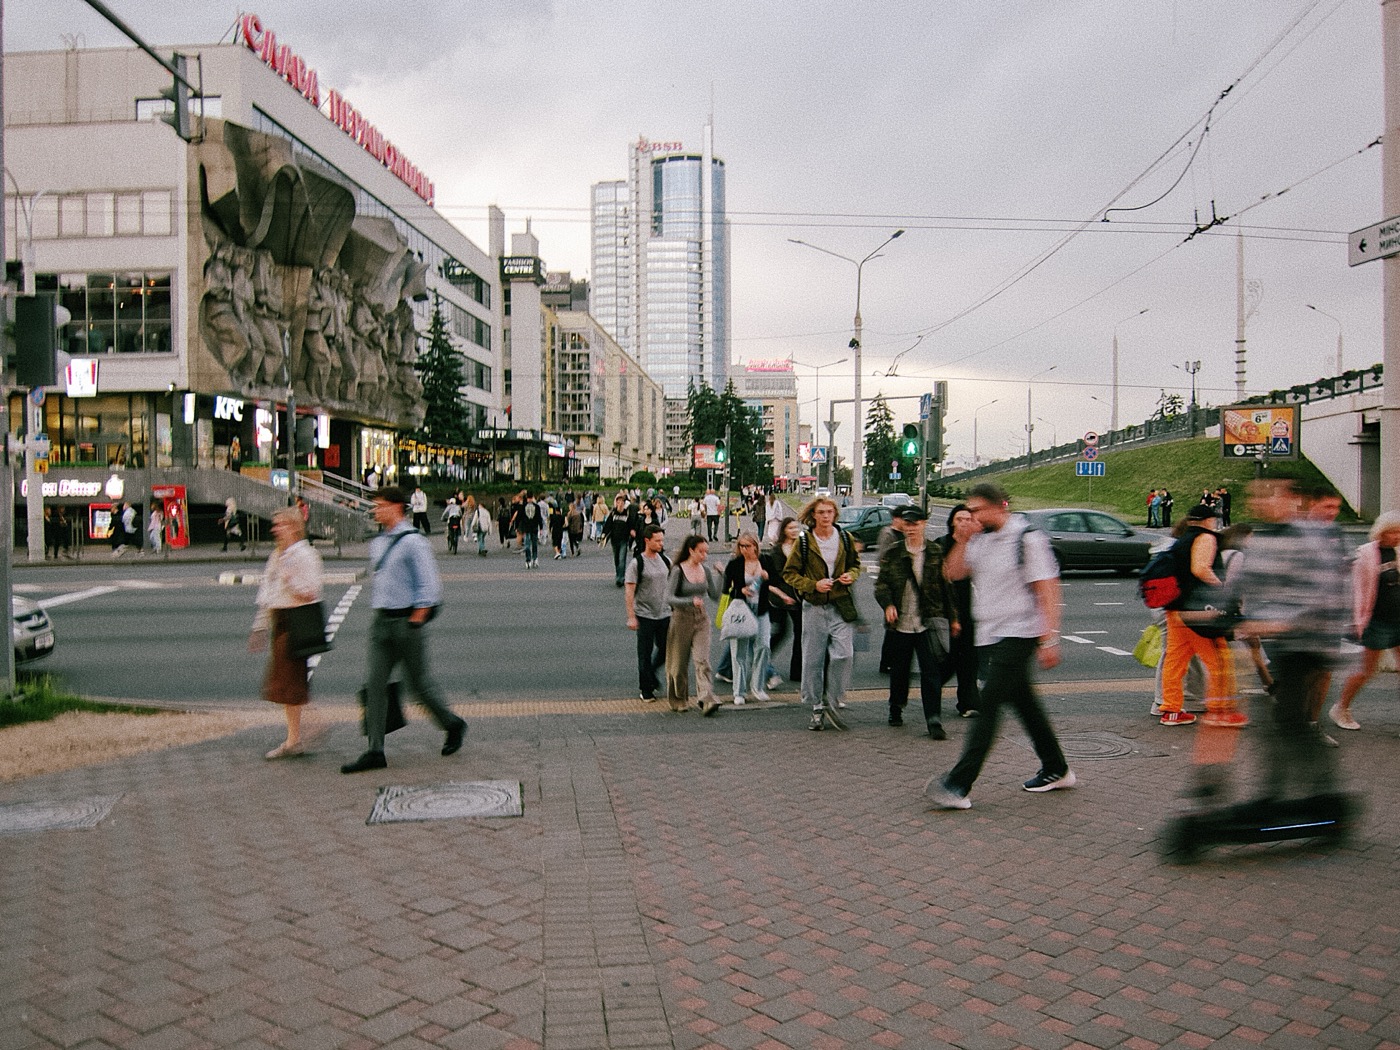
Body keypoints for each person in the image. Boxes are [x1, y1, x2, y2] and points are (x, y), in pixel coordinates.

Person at [926, 482, 1076, 809]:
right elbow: (953, 572)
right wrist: (962, 539)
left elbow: (1048, 589)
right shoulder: (980, 541)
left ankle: (958, 784)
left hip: (1020, 632)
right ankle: (1057, 767)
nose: (971, 516)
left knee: (988, 704)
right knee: (1025, 704)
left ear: (999, 507)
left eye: (977, 510)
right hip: (989, 634)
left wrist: (1050, 638)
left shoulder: (1027, 539)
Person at [1230, 476, 1347, 802]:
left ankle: (1320, 793)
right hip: (1281, 645)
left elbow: (1321, 592)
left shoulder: (1312, 538)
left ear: (1293, 499)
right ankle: (1281, 792)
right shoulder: (1266, 537)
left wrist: (1278, 622)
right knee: (1277, 720)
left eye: (1269, 494)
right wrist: (1216, 607)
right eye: (1256, 496)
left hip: (1308, 644)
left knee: (1290, 721)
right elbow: (1246, 579)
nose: (1260, 502)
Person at [342, 486, 467, 774]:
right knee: (375, 685)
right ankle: (375, 750)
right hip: (381, 623)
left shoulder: (413, 542)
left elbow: (429, 585)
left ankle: (453, 724)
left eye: (380, 505)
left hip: (407, 622)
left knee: (418, 686)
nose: (375, 510)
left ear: (396, 507)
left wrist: (417, 619)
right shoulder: (378, 542)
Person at [876, 504, 958, 739]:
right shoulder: (894, 552)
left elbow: (946, 587)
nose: (911, 528)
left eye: (915, 524)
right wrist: (888, 604)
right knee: (900, 670)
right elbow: (881, 584)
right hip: (900, 622)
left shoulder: (934, 552)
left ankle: (933, 718)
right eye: (907, 524)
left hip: (926, 621)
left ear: (924, 524)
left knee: (930, 672)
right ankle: (896, 707)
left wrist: (953, 618)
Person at [1158, 503, 1243, 727]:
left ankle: (1171, 710)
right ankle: (1219, 711)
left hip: (1176, 610)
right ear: (1208, 521)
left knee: (1175, 661)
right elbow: (1200, 569)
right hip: (1198, 613)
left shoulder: (1181, 541)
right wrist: (1221, 586)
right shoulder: (1206, 537)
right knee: (1219, 660)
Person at [783, 496, 862, 731]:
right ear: (813, 515)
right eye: (821, 512)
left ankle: (834, 697)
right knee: (813, 660)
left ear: (835, 515)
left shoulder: (845, 539)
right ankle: (817, 705)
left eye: (829, 512)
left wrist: (851, 575)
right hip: (814, 607)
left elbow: (855, 565)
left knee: (844, 654)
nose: (826, 516)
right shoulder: (805, 541)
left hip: (840, 604)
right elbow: (790, 573)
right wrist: (812, 585)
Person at [251, 508, 325, 759]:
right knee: (287, 682)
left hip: (296, 620)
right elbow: (267, 590)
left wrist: (290, 579)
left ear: (294, 527)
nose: (275, 528)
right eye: (274, 524)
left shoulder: (305, 555)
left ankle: (296, 737)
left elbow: (312, 590)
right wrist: (260, 625)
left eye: (280, 524)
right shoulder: (277, 554)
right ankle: (298, 734)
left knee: (289, 682)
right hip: (279, 619)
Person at [1331, 511, 1400, 731]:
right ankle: (1341, 707)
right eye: (1393, 532)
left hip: (1398, 619)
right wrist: (1358, 621)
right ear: (1382, 531)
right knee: (1366, 671)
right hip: (1377, 621)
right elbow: (1358, 591)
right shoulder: (1366, 554)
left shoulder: (1398, 552)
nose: (1397, 536)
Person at [665, 534, 722, 715]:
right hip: (681, 618)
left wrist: (722, 574)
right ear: (691, 551)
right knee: (679, 664)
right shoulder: (678, 571)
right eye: (700, 552)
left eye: (706, 552)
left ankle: (706, 699)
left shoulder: (705, 570)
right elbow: (669, 597)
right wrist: (690, 601)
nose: (704, 555)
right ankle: (679, 700)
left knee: (702, 659)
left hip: (701, 618)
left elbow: (714, 595)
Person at [937, 505, 982, 718]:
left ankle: (969, 702)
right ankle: (932, 689)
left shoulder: (977, 546)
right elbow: (942, 576)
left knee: (969, 658)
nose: (964, 523)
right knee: (949, 657)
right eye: (960, 519)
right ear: (952, 522)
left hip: (971, 609)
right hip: (948, 609)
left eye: (968, 519)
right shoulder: (943, 545)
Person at [722, 533, 773, 703]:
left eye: (747, 546)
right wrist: (740, 589)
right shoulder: (735, 564)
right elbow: (726, 587)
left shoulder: (765, 561)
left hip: (761, 608)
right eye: (741, 546)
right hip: (741, 609)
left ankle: (757, 687)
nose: (744, 549)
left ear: (755, 546)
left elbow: (777, 580)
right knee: (739, 651)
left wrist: (767, 577)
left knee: (764, 646)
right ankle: (739, 692)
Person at [625, 524, 672, 702]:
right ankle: (646, 689)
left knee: (666, 649)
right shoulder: (638, 563)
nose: (661, 544)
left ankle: (651, 672)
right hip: (644, 614)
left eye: (662, 540)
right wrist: (631, 616)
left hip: (664, 613)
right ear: (647, 541)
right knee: (644, 653)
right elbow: (629, 591)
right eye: (657, 540)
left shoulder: (666, 560)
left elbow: (673, 582)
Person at [605, 493, 638, 587]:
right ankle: (618, 573)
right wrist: (604, 535)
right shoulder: (613, 514)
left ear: (624, 503)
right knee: (616, 559)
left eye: (621, 502)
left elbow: (631, 524)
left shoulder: (627, 514)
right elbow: (608, 525)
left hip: (623, 539)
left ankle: (621, 578)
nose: (620, 504)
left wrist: (632, 531)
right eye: (618, 502)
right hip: (614, 539)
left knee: (622, 559)